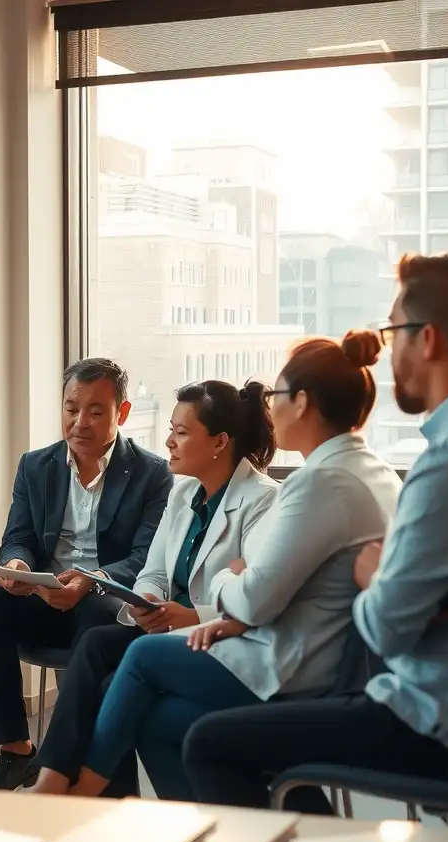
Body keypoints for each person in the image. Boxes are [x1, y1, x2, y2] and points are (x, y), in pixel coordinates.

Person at [181, 252, 448, 813]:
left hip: (435, 719)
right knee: (201, 724)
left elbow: (387, 631)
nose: (389, 358)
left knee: (209, 744)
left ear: (429, 340)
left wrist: (375, 577)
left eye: (395, 335)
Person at [56, 329, 402, 800]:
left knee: (138, 662)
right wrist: (233, 583)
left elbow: (255, 598)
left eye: (277, 395)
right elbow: (258, 587)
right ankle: (222, 830)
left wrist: (227, 577)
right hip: (323, 659)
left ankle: (83, 790)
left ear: (301, 403)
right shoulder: (372, 471)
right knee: (153, 715)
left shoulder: (319, 484)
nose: (270, 407)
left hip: (292, 666)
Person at [29, 380, 280, 798]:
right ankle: (57, 777)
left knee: (113, 683)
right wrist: (144, 599)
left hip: (219, 639)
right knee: (95, 644)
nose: (168, 441)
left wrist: (191, 615)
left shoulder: (263, 501)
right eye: (170, 429)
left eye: (181, 432)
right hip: (164, 628)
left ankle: (83, 790)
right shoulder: (182, 491)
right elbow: (155, 572)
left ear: (219, 442)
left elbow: (254, 597)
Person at [0, 357, 172, 789]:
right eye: (71, 408)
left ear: (123, 413)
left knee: (98, 613)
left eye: (96, 411)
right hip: (45, 597)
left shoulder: (152, 473)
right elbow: (17, 536)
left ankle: (72, 759)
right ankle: (15, 750)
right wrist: (19, 565)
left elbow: (146, 556)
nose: (80, 422)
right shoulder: (35, 466)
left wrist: (90, 580)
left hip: (104, 600)